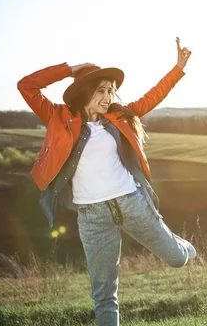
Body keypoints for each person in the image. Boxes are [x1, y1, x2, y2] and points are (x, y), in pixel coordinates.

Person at [18, 37, 197, 326]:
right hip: (92, 217)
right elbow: (26, 85)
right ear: (85, 92)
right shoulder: (58, 117)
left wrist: (178, 68)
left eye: (111, 91)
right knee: (104, 295)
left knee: (177, 259)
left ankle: (184, 246)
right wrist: (69, 69)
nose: (108, 97)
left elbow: (152, 97)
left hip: (131, 202)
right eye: (101, 91)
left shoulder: (117, 117)